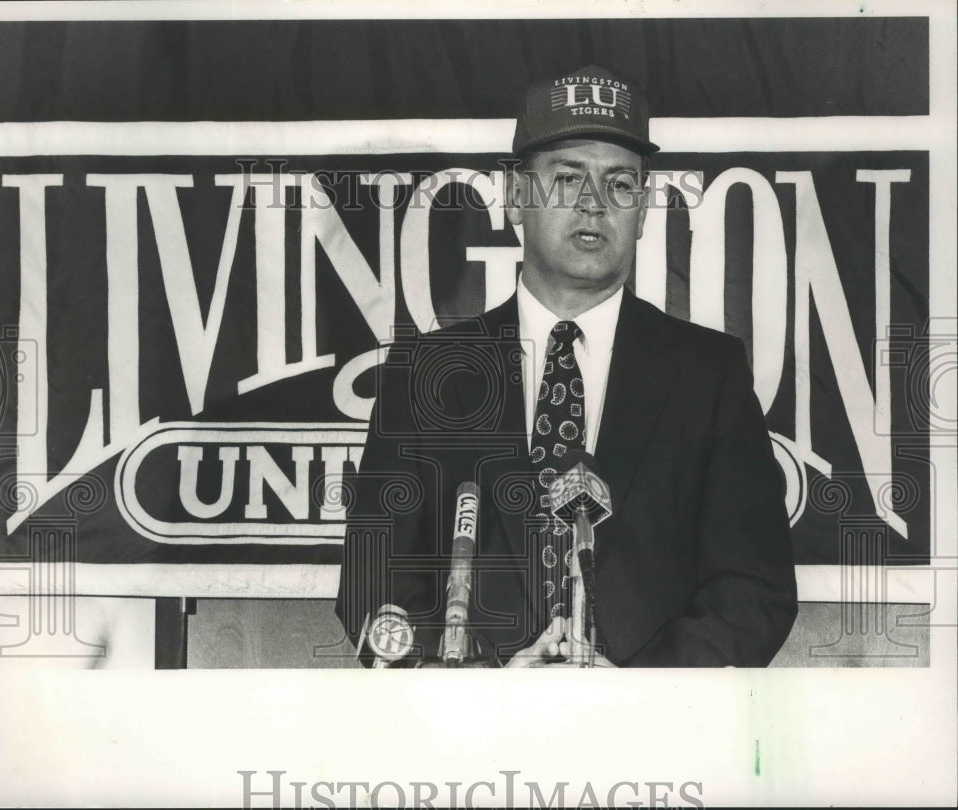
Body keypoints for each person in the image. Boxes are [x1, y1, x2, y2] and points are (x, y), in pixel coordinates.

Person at [336, 64, 798, 667]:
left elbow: (754, 591)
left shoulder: (709, 374)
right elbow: (372, 584)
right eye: (566, 178)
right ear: (514, 198)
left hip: (656, 740)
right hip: (472, 741)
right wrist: (482, 688)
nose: (593, 204)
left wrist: (636, 694)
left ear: (643, 210)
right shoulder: (424, 371)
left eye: (621, 184)